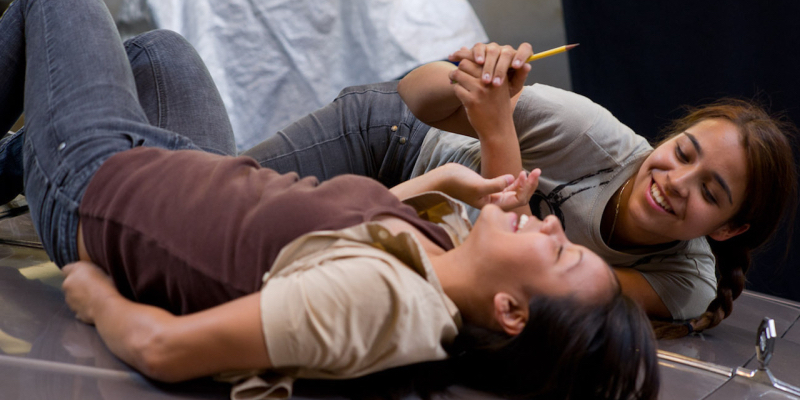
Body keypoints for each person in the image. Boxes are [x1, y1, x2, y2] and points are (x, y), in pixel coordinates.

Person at [0, 0, 658, 399]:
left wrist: (95, 294)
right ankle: (18, 160)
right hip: (175, 164)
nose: (553, 231)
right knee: (160, 54)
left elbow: (163, 349)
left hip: (96, 189)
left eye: (563, 257)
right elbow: (331, 245)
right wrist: (439, 182)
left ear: (511, 312)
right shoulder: (443, 273)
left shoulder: (384, 302)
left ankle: (35, 162)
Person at [239, 43, 798, 338]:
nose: (674, 182)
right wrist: (472, 72)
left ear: (728, 228)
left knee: (239, 246)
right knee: (225, 204)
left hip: (419, 217)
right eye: (682, 152)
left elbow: (525, 283)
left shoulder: (686, 282)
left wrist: (496, 129)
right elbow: (413, 94)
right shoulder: (587, 131)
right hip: (387, 141)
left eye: (710, 191)